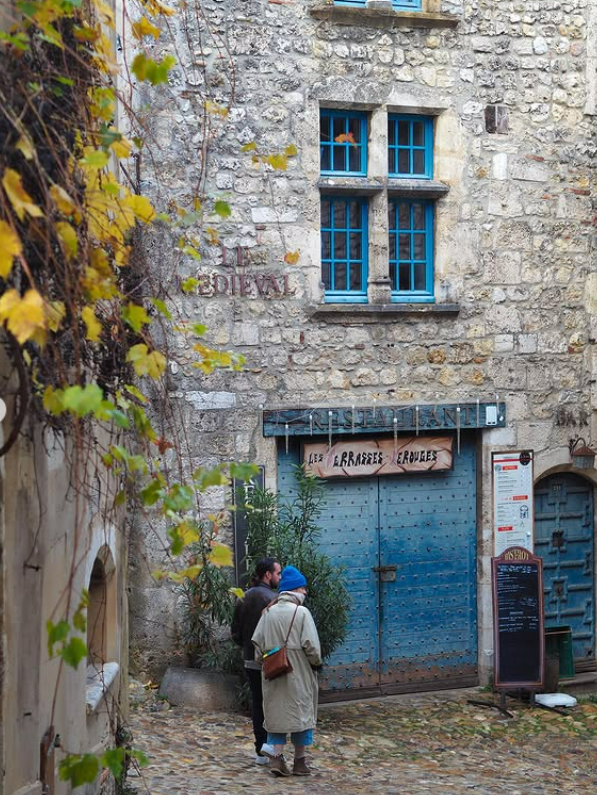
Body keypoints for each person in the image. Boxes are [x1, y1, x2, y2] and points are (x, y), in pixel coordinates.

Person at [251, 565, 322, 777]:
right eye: (303, 588)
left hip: (273, 673)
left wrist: (266, 662)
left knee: (276, 714)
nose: (306, 592)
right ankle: (300, 762)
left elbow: (257, 647)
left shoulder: (268, 613)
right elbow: (312, 646)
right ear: (294, 590)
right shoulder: (302, 613)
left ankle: (277, 759)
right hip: (299, 672)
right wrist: (316, 663)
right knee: (301, 715)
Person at [231, 557, 281, 765]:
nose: (280, 576)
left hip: (249, 658)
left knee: (258, 705)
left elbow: (235, 632)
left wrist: (246, 646)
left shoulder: (244, 596)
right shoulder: (274, 598)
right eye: (278, 573)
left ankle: (260, 750)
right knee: (273, 704)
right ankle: (273, 748)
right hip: (271, 658)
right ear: (267, 575)